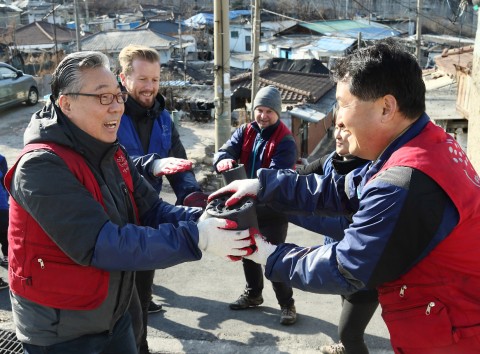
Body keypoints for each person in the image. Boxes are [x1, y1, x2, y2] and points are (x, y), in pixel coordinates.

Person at [208, 40, 480, 353]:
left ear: (386, 108)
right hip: (446, 320)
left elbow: (345, 266)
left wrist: (268, 254)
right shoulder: (423, 144)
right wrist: (262, 185)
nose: (340, 119)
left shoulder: (405, 180)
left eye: (343, 104)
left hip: (456, 335)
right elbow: (340, 189)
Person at [4, 51, 253, 354]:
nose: (116, 108)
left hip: (113, 312)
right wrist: (199, 237)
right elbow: (101, 243)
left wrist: (208, 216)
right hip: (62, 330)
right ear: (66, 104)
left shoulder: (111, 151)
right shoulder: (41, 166)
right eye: (102, 98)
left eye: (117, 97)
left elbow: (153, 209)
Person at [117, 44, 209, 353]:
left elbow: (178, 161)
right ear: (123, 77)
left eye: (155, 79)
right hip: (112, 216)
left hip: (148, 214)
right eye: (143, 79)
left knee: (142, 292)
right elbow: (112, 159)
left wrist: (192, 195)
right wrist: (151, 164)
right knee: (116, 299)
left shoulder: (164, 117)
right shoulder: (109, 111)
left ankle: (141, 347)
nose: (150, 87)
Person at [212, 85, 298, 325]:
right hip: (245, 205)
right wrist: (224, 159)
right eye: (259, 109)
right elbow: (225, 150)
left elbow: (276, 178)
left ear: (278, 113)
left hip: (273, 208)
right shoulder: (245, 131)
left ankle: (287, 304)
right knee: (247, 250)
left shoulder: (285, 140)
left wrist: (250, 187)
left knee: (272, 256)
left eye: (269, 110)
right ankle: (253, 294)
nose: (262, 115)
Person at [292, 125, 376, 354]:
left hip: (363, 271)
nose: (337, 135)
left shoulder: (371, 173)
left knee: (350, 333)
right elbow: (298, 178)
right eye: (337, 126)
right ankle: (346, 348)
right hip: (338, 261)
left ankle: (348, 346)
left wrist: (283, 210)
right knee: (345, 313)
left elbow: (343, 227)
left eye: (347, 129)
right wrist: (264, 184)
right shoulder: (332, 159)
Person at [0, 153, 8, 290]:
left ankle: (7, 255)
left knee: (4, 231)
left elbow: (6, 182)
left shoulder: (1, 159)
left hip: (1, 206)